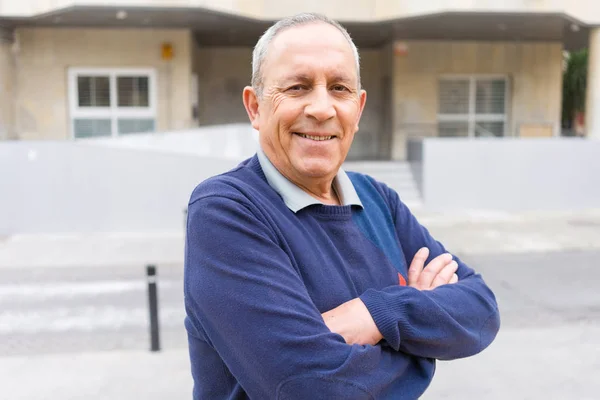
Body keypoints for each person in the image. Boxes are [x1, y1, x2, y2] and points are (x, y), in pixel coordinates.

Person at [184, 12, 500, 400]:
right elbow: (310, 387)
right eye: (298, 87)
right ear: (255, 107)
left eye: (339, 88)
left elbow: (481, 309)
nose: (321, 108)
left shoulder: (377, 200)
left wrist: (378, 313)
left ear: (359, 107)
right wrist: (422, 345)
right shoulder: (228, 211)